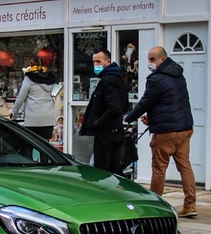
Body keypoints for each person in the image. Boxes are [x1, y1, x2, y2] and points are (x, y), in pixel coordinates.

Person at [123, 46, 197, 218]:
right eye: (148, 59)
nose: (149, 63)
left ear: (162, 59)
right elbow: (169, 103)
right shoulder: (178, 75)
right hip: (185, 128)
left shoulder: (157, 79)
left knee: (158, 168)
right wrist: (153, 118)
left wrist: (128, 117)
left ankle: (154, 206)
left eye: (152, 59)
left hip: (166, 132)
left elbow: (145, 102)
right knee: (184, 165)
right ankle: (190, 204)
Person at [79, 49, 127, 175]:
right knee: (114, 167)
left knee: (103, 169)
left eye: (98, 61)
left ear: (108, 61)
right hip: (115, 130)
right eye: (94, 61)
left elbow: (114, 108)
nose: (95, 64)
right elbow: (123, 105)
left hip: (107, 133)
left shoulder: (108, 81)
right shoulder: (117, 79)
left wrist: (97, 123)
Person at [10, 54, 57, 140]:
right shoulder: (49, 79)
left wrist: (13, 111)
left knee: (30, 147)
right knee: (45, 148)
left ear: (31, 65)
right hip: (48, 118)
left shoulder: (29, 79)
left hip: (33, 119)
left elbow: (21, 97)